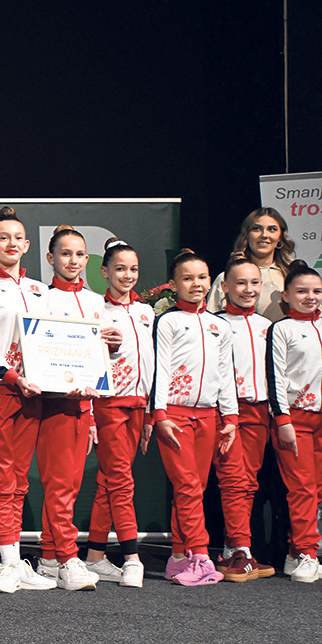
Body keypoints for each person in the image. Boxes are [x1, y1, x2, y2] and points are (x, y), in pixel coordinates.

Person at [0, 206, 57, 594]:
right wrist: (12, 377)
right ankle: (6, 562)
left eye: (18, 238)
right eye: (3, 238)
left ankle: (16, 560)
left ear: (27, 244)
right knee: (0, 477)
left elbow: (55, 338)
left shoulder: (40, 290)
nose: (11, 244)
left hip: (33, 394)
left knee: (19, 479)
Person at [32, 226, 114, 591]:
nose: (74, 260)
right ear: (51, 258)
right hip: (53, 404)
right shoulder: (41, 299)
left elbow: (99, 358)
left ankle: (50, 557)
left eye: (80, 254)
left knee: (70, 484)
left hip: (83, 404)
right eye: (66, 254)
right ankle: (67, 557)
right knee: (60, 485)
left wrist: (112, 344)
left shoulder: (96, 302)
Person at [150, 249, 235, 586]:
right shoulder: (168, 321)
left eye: (202, 277)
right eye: (187, 278)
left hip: (209, 416)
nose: (196, 284)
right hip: (174, 415)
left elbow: (225, 373)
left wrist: (230, 417)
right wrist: (160, 414)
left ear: (211, 280)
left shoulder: (220, 325)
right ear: (174, 284)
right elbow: (160, 369)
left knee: (194, 489)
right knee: (186, 486)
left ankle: (177, 557)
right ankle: (200, 555)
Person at [84, 237, 155, 587]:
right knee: (121, 481)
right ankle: (131, 557)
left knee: (109, 482)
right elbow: (88, 361)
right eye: (120, 269)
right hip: (109, 403)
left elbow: (153, 362)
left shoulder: (146, 312)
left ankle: (95, 556)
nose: (128, 275)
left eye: (133, 269)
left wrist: (151, 411)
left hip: (139, 404)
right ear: (104, 271)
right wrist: (90, 413)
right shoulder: (96, 309)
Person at [211, 257, 278, 581]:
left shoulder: (268, 327)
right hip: (226, 411)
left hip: (259, 410)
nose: (248, 289)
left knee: (249, 482)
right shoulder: (214, 324)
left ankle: (233, 549)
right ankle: (242, 548)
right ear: (224, 286)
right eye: (240, 283)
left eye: (254, 283)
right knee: (233, 479)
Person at [264, 259, 322, 583]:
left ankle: (294, 552)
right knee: (302, 489)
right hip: (294, 419)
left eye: (316, 291)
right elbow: (275, 377)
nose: (310, 297)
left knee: (318, 490)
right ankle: (307, 554)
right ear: (286, 295)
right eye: (302, 291)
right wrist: (282, 419)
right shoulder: (281, 329)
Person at [208, 208, 293, 320]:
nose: (264, 235)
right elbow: (210, 322)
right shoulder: (226, 278)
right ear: (246, 235)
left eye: (272, 229)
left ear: (280, 237)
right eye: (256, 229)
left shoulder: (291, 276)